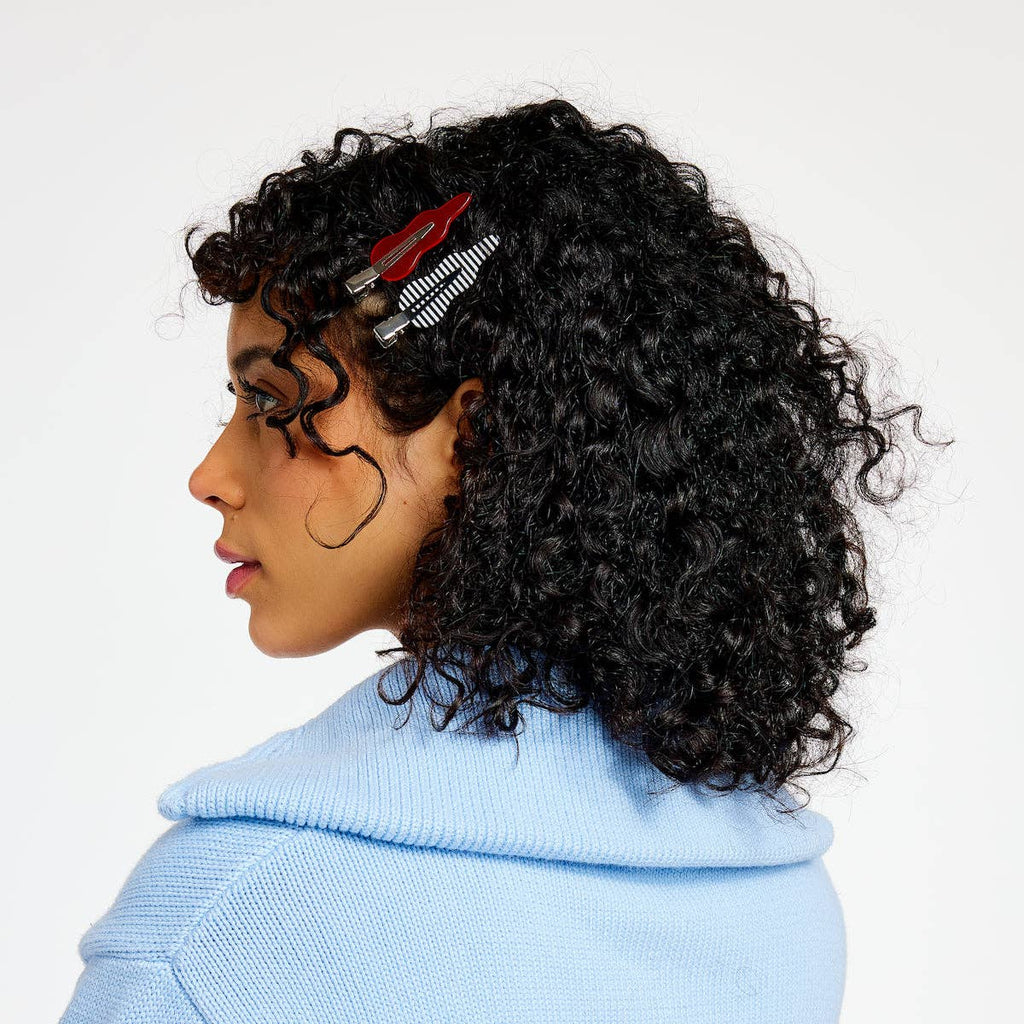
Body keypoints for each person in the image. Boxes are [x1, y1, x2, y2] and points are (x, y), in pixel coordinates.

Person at [57, 97, 946, 1023]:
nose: (210, 476)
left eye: (274, 405)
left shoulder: (222, 933)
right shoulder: (780, 904)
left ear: (472, 433)